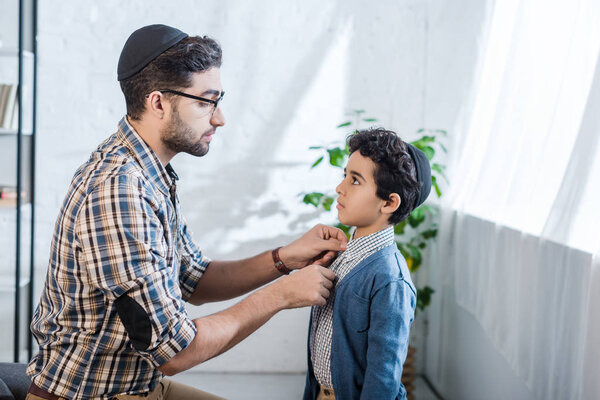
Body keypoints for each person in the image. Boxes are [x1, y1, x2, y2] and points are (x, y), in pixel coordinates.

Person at [26, 24, 347, 400]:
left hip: (138, 385)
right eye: (205, 101)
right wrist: (280, 296)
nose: (219, 117)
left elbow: (192, 279)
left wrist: (284, 259)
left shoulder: (149, 173)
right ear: (158, 102)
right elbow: (174, 350)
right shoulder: (119, 191)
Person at [303, 128, 432, 400]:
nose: (340, 188)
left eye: (356, 181)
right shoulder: (338, 257)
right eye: (345, 176)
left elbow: (382, 379)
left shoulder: (390, 279)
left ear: (389, 202)